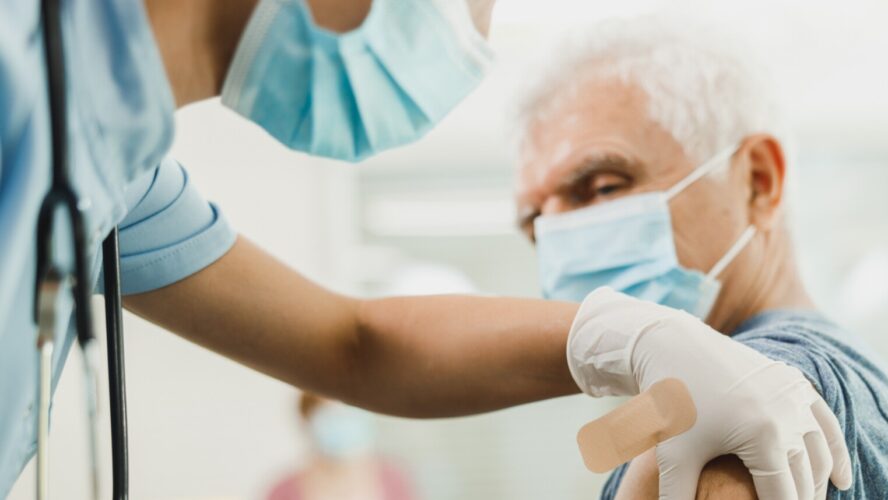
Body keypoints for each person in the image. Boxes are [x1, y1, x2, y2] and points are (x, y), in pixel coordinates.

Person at [0, 1, 851, 498]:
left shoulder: (114, 173)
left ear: (761, 180)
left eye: (595, 189)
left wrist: (628, 338)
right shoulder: (22, 90)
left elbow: (354, 343)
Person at [512, 15, 888, 499]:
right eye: (534, 227)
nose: (559, 238)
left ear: (758, 180)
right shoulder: (848, 378)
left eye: (603, 187)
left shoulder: (747, 407)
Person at [266, 393, 414, 500]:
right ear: (307, 421)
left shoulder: (393, 480)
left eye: (349, 413)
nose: (343, 421)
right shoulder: (282, 493)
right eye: (333, 415)